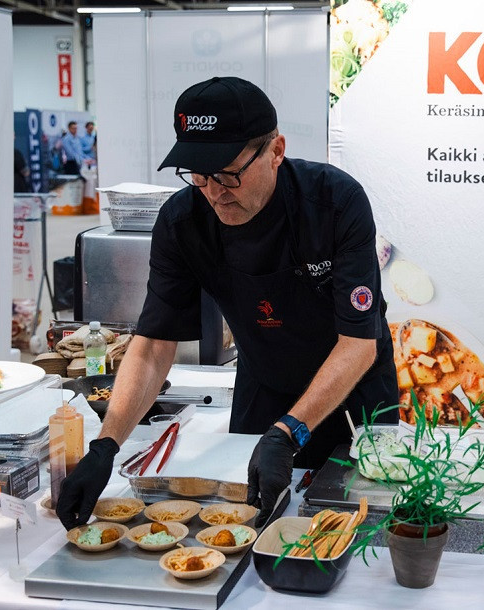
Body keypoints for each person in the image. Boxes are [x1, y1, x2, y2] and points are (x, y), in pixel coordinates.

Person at [56, 76, 399, 530]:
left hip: (354, 395)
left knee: (360, 529)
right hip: (265, 386)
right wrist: (106, 445)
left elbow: (358, 343)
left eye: (227, 173)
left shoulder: (335, 202)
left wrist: (290, 432)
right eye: (199, 175)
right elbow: (154, 344)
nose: (214, 191)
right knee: (246, 526)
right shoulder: (182, 222)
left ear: (276, 150)